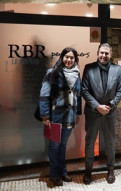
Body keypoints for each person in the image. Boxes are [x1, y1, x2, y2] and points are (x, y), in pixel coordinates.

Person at [81, 43, 121, 185]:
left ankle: (111, 169)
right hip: (93, 112)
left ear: (110, 55)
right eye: (102, 53)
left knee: (110, 142)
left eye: (106, 53)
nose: (104, 56)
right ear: (97, 53)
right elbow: (84, 90)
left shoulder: (117, 70)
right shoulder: (89, 68)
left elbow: (120, 91)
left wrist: (110, 105)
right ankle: (88, 171)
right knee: (90, 142)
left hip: (110, 112)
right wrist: (97, 106)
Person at [39, 47, 81, 187]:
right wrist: (45, 116)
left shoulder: (77, 74)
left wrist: (78, 113)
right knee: (54, 146)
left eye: (72, 58)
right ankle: (54, 174)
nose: (69, 60)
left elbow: (78, 96)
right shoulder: (52, 73)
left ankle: (63, 172)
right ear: (62, 57)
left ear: (75, 60)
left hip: (70, 115)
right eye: (66, 57)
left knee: (63, 145)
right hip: (55, 116)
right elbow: (44, 95)